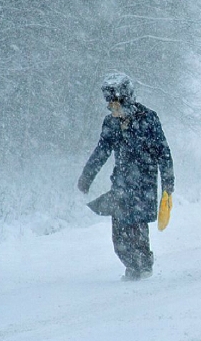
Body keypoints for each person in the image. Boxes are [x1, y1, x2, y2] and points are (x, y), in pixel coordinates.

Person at [78, 73, 174, 281]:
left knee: (137, 230)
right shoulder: (110, 124)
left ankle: (144, 268)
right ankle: (132, 267)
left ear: (127, 100)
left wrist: (168, 185)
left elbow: (163, 153)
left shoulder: (149, 119)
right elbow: (101, 151)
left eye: (116, 105)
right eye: (110, 106)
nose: (113, 110)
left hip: (144, 185)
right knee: (119, 237)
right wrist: (87, 176)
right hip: (121, 185)